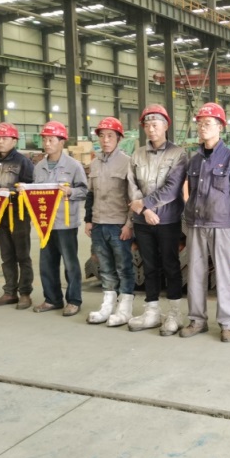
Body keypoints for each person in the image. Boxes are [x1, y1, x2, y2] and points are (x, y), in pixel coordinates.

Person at [181, 102, 230, 342]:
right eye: (200, 123)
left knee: (224, 274)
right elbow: (191, 191)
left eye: (208, 123)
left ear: (220, 127)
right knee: (195, 273)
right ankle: (197, 320)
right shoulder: (194, 160)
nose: (202, 127)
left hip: (221, 224)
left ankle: (227, 323)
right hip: (196, 223)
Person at [126, 104, 188, 335]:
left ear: (165, 126)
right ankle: (151, 311)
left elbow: (172, 188)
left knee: (171, 265)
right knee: (149, 266)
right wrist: (144, 211)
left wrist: (145, 205)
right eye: (147, 125)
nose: (151, 129)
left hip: (168, 220)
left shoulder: (178, 154)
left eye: (155, 124)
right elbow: (131, 185)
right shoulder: (137, 155)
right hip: (143, 222)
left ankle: (175, 313)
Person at [31, 121, 88, 317]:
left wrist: (71, 192)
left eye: (51, 140)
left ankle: (74, 300)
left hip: (66, 223)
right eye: (44, 140)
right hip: (45, 223)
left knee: (70, 264)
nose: (47, 143)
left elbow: (84, 191)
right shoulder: (39, 167)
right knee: (47, 264)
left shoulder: (73, 166)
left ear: (62, 141)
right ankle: (52, 299)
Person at [85, 116, 136, 326]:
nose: (105, 140)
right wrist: (88, 220)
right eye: (102, 136)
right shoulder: (94, 163)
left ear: (119, 139)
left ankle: (125, 307)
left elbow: (133, 198)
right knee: (105, 267)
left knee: (124, 267)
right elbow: (90, 194)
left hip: (118, 225)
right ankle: (107, 305)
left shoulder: (127, 163)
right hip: (99, 224)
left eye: (110, 136)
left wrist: (129, 225)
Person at [0, 122, 34, 310]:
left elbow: (30, 187)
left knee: (23, 256)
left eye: (4, 138)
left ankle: (25, 293)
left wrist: (11, 190)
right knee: (6, 256)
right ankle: (9, 292)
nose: (0, 141)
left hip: (18, 215)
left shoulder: (23, 162)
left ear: (14, 140)